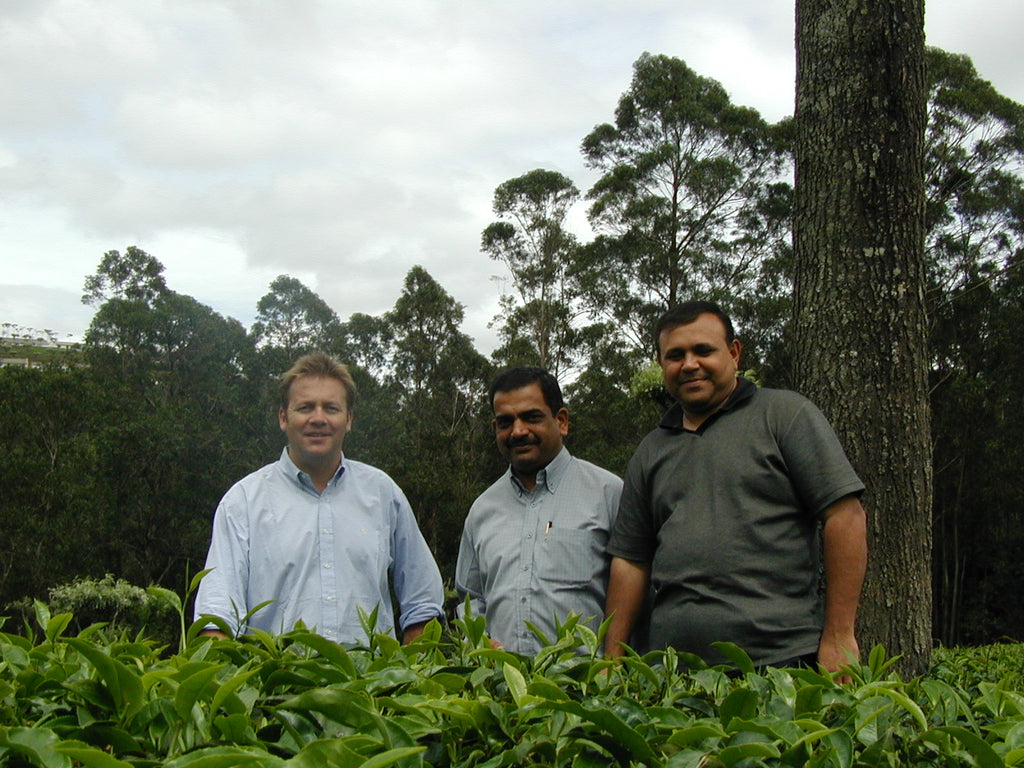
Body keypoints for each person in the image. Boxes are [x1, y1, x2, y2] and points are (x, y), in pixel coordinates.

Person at [603, 301, 868, 672]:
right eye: (675, 355)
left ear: (734, 352)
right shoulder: (652, 450)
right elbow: (631, 561)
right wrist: (611, 660)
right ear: (662, 364)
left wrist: (839, 636)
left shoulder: (785, 416)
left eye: (703, 350)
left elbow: (845, 516)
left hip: (781, 666)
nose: (690, 364)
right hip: (672, 679)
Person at [194, 352, 444, 644]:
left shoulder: (383, 494)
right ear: (283, 418)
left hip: (370, 686)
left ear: (348, 419)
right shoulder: (243, 502)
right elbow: (217, 615)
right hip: (272, 684)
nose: (318, 419)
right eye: (305, 407)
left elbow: (423, 602)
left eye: (331, 408)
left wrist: (412, 676)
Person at [454, 366, 623, 654]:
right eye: (506, 422)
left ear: (562, 421)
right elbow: (469, 599)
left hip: (590, 690)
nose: (518, 431)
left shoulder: (608, 494)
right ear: (496, 429)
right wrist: (480, 643)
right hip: (501, 689)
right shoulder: (482, 509)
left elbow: (636, 597)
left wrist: (615, 667)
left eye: (532, 417)